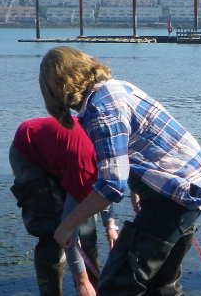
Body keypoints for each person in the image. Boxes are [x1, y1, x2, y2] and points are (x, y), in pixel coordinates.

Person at [39, 46, 201, 295]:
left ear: (55, 89)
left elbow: (112, 185)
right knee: (162, 286)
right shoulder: (116, 88)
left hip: (173, 197)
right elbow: (138, 144)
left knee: (116, 285)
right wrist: (138, 192)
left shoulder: (100, 110)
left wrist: (67, 225)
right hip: (192, 187)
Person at [9, 116, 121, 296]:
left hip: (65, 154)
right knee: (53, 229)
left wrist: (110, 225)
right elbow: (67, 230)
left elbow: (108, 185)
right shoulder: (85, 166)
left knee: (87, 228)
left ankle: (93, 286)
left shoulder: (116, 151)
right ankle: (55, 291)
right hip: (29, 151)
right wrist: (81, 281)